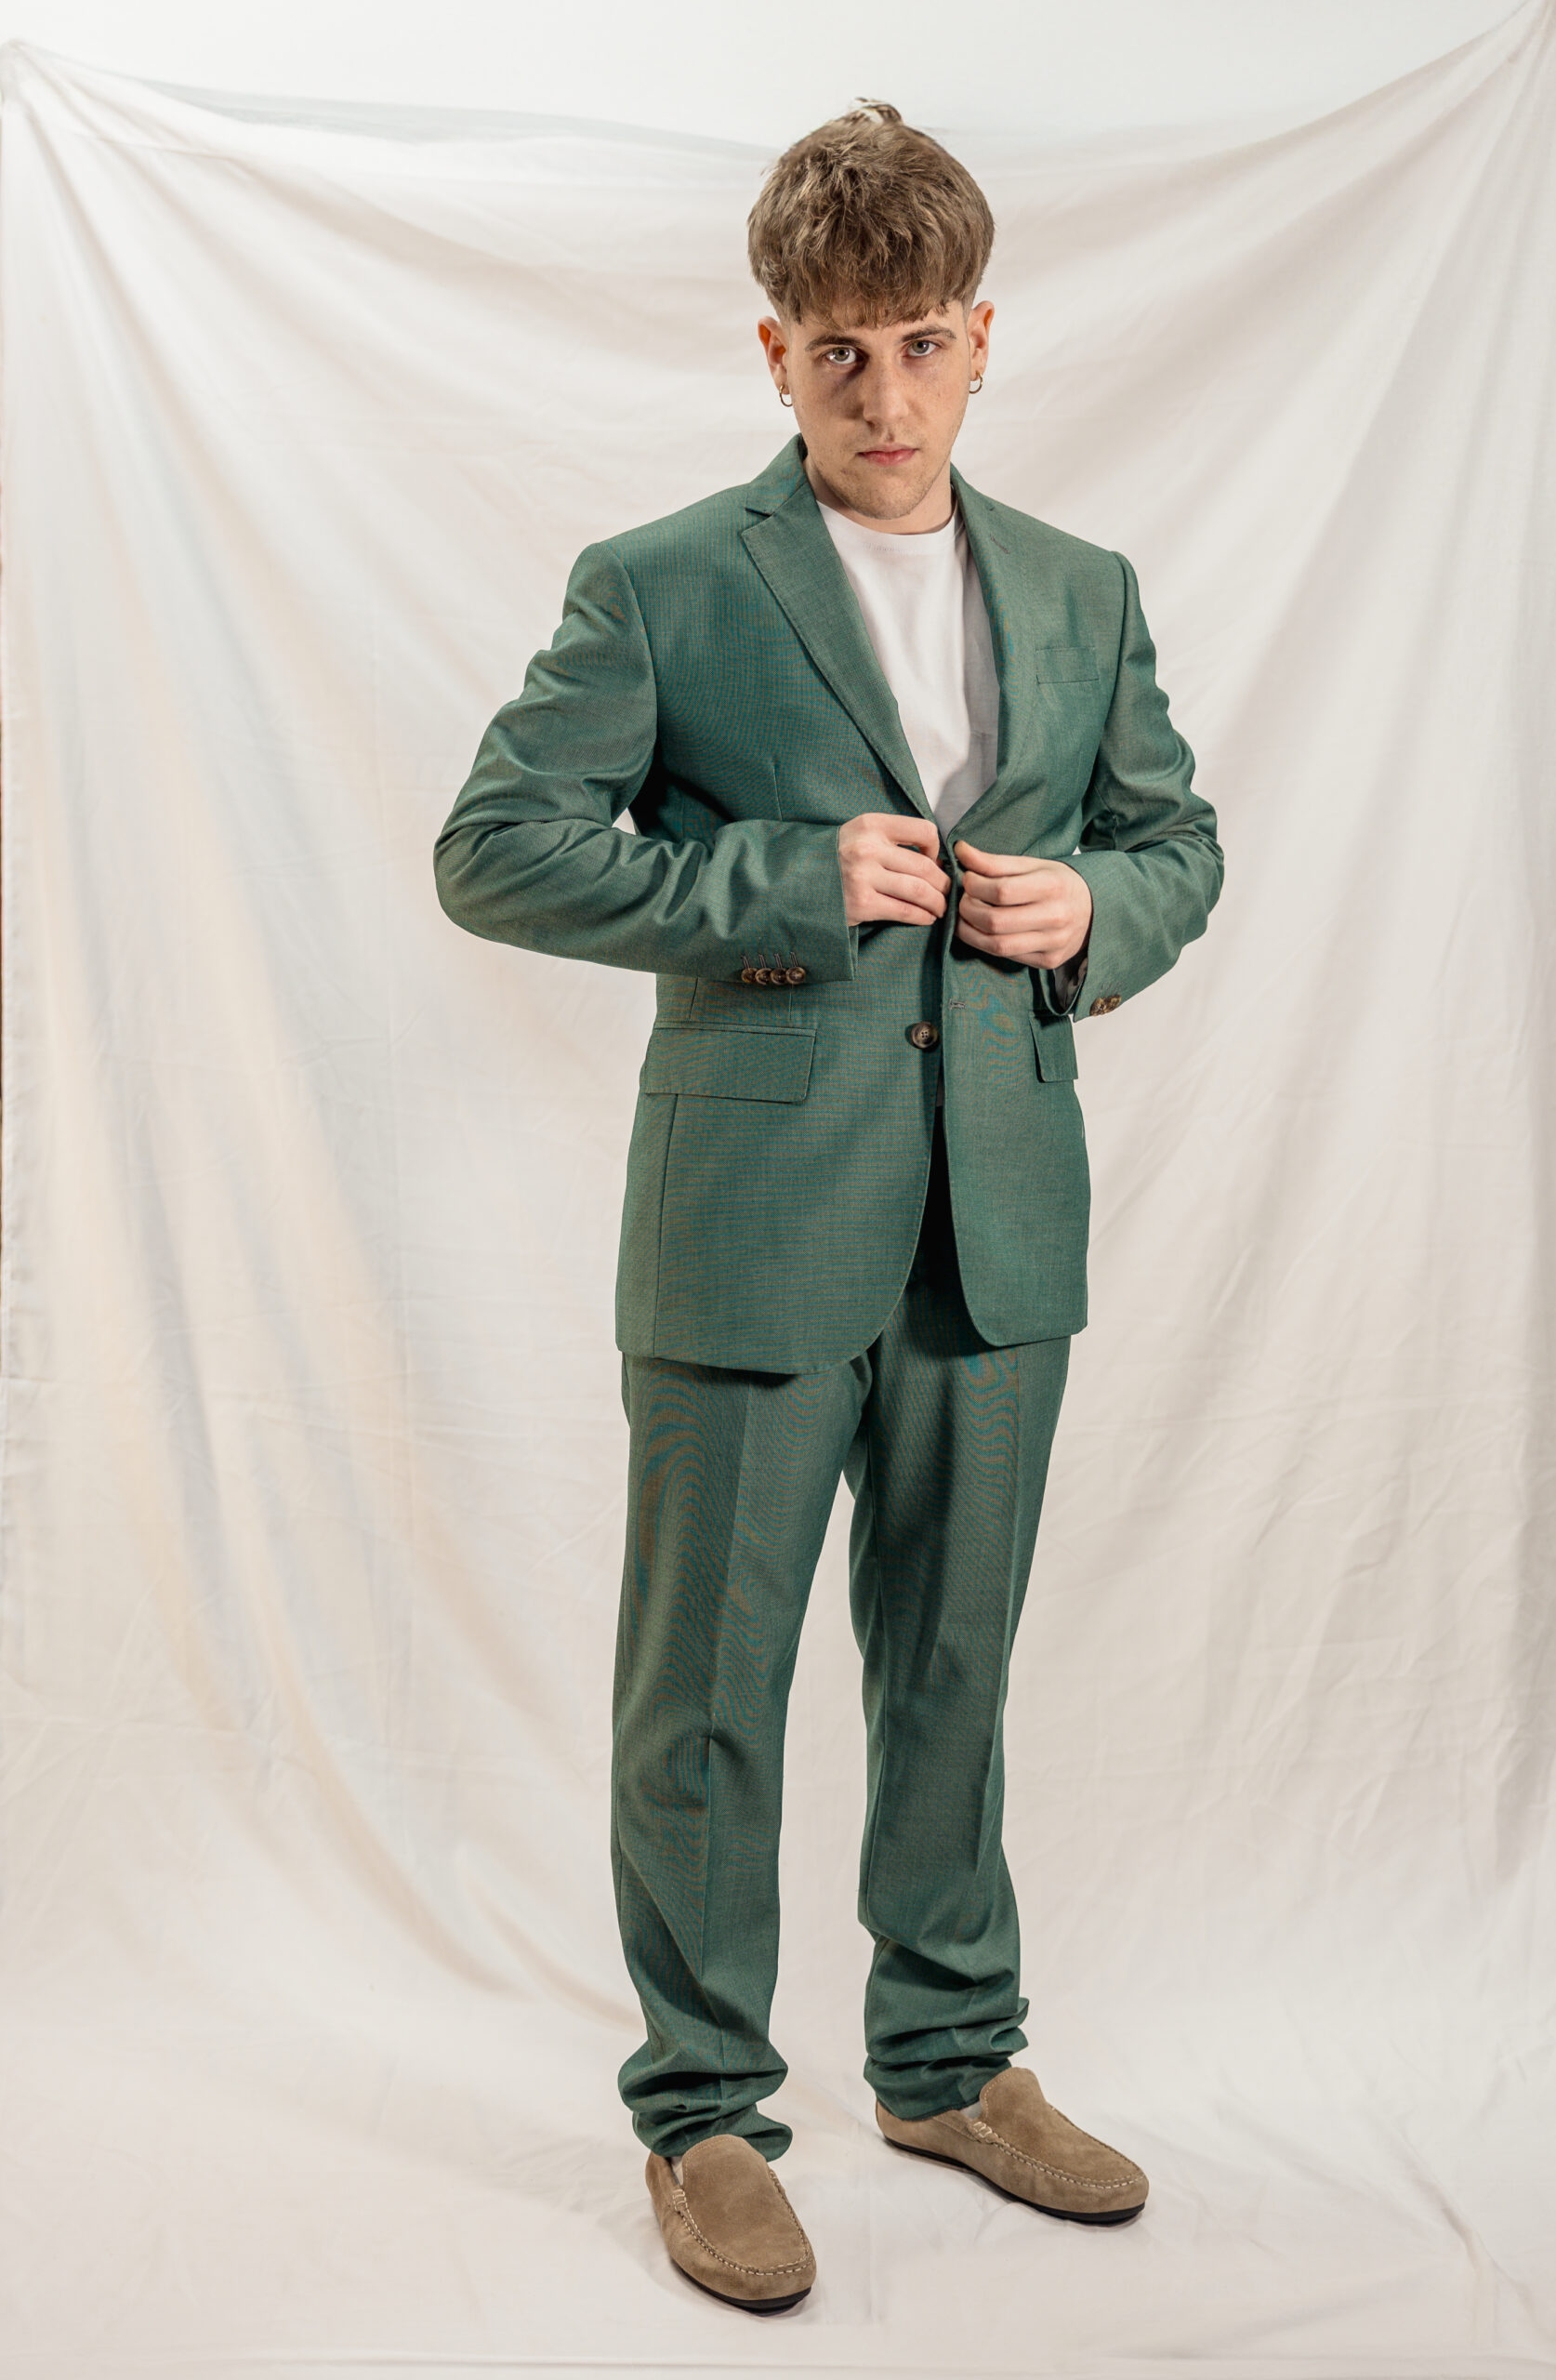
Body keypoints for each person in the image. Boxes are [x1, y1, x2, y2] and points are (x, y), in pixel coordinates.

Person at [434, 99, 1222, 2316]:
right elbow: (493, 848)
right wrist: (780, 880)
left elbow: (1173, 840)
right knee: (705, 1683)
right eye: (838, 353)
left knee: (954, 1662)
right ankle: (702, 2105)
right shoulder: (663, 580)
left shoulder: (1078, 587)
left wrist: (1093, 911)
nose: (884, 396)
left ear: (983, 337)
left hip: (1001, 1220)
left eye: (920, 344)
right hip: (750, 1222)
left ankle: (950, 2060)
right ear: (772, 352)